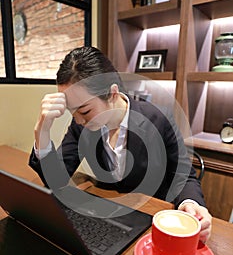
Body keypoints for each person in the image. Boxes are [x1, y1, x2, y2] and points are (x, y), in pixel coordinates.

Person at [29, 46, 212, 243]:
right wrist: (42, 132)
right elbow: (57, 179)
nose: (78, 121)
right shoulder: (80, 125)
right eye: (71, 112)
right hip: (109, 218)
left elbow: (183, 176)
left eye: (84, 111)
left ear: (112, 94)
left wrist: (190, 203)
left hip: (152, 221)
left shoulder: (158, 119)